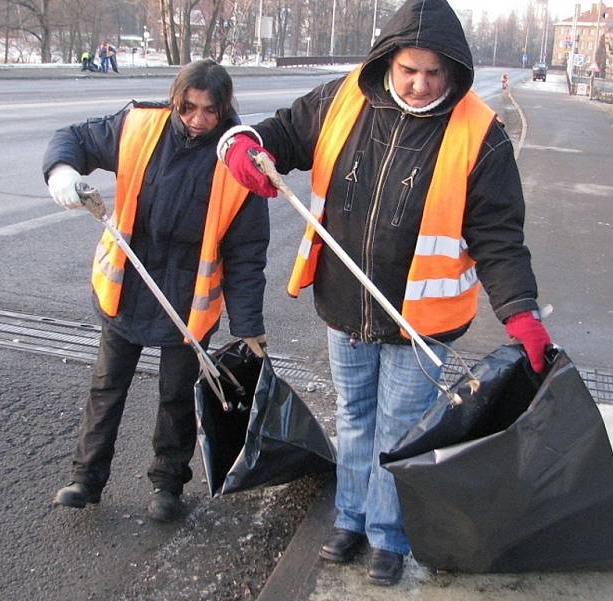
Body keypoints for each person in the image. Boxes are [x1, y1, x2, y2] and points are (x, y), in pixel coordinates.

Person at [216, 0, 551, 586]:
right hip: (346, 305)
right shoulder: (342, 100)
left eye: (433, 74)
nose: (420, 85)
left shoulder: (481, 135)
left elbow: (499, 238)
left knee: (399, 429)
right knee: (355, 419)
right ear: (388, 62)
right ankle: (350, 519)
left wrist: (520, 312)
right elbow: (277, 135)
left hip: (423, 322)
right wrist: (244, 149)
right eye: (409, 71)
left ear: (454, 72)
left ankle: (388, 536)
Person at [43, 59, 270, 522]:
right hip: (129, 283)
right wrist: (62, 173)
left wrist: (249, 327)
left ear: (225, 109)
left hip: (188, 298)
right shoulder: (139, 126)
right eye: (188, 108)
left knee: (177, 394)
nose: (197, 120)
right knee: (107, 386)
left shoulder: (237, 160)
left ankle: (167, 483)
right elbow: (75, 138)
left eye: (210, 110)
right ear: (175, 100)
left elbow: (246, 255)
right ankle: (86, 478)